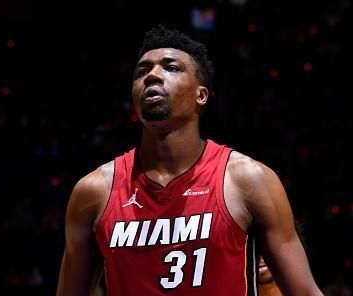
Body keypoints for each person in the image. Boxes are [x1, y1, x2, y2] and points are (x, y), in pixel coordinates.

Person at [56, 24, 323, 296]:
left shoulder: (248, 180)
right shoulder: (93, 192)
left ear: (201, 95)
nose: (152, 76)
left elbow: (304, 291)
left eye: (170, 67)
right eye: (142, 71)